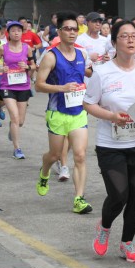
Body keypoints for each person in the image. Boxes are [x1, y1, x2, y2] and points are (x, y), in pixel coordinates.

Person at [85, 19, 135, 262]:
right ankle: (104, 227)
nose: (130, 40)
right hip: (110, 144)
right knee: (119, 195)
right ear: (114, 42)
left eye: (134, 35)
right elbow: (89, 104)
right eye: (124, 36)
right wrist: (111, 116)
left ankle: (127, 243)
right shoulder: (102, 72)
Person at [35, 11, 92, 214]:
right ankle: (44, 171)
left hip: (78, 112)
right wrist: (62, 88)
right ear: (59, 31)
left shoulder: (82, 54)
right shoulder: (51, 56)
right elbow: (38, 85)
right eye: (67, 29)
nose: (72, 32)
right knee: (55, 155)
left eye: (75, 29)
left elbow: (88, 73)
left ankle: (79, 199)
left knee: (80, 155)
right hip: (57, 112)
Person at [0, 21, 36, 159]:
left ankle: (13, 127)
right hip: (7, 86)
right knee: (15, 117)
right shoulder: (2, 48)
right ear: (8, 33)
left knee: (20, 121)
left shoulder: (27, 48)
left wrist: (27, 67)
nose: (16, 33)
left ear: (22, 33)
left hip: (23, 86)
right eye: (13, 31)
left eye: (19, 30)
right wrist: (1, 69)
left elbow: (34, 65)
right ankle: (17, 149)